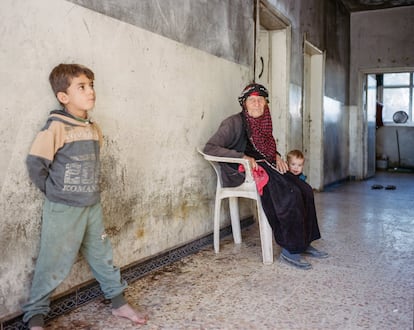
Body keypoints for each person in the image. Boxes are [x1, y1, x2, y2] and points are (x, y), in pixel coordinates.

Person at [22, 64, 147, 329]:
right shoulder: (56, 126)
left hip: (92, 206)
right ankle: (35, 316)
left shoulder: (93, 128)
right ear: (63, 97)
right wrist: (54, 192)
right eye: (82, 87)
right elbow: (36, 163)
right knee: (52, 260)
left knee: (102, 255)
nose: (90, 91)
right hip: (63, 208)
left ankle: (118, 302)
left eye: (91, 85)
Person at [203, 83, 328, 270]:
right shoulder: (234, 123)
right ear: (244, 104)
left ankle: (304, 242)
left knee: (305, 189)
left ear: (265, 104)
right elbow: (210, 147)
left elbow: (265, 148)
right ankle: (290, 249)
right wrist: (241, 157)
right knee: (289, 194)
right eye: (252, 100)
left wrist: (276, 155)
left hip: (266, 164)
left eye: (260, 100)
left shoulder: (264, 121)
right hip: (246, 171)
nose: (256, 104)